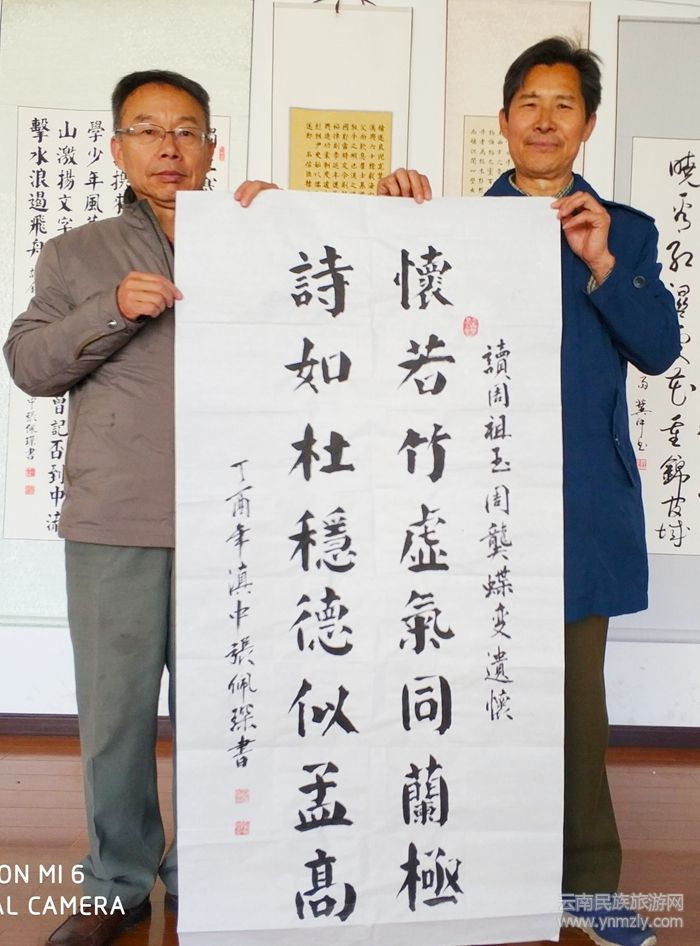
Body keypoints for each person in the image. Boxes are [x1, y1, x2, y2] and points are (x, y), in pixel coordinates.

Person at [377, 37, 679, 946]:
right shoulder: (453, 225)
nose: (545, 120)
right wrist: (389, 229)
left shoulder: (626, 229)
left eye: (564, 105)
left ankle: (588, 885)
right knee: (465, 692)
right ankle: (469, 872)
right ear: (504, 121)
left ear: (588, 125)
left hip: (579, 505)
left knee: (576, 706)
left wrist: (601, 263)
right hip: (465, 500)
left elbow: (659, 349)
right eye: (529, 104)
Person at [4, 70, 275, 946]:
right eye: (148, 130)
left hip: (235, 522)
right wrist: (111, 307)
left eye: (186, 130)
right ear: (118, 149)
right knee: (114, 714)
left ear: (212, 148)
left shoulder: (259, 236)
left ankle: (210, 875)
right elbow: (30, 365)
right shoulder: (75, 254)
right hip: (116, 518)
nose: (169, 147)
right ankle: (116, 883)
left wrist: (320, 225)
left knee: (223, 714)